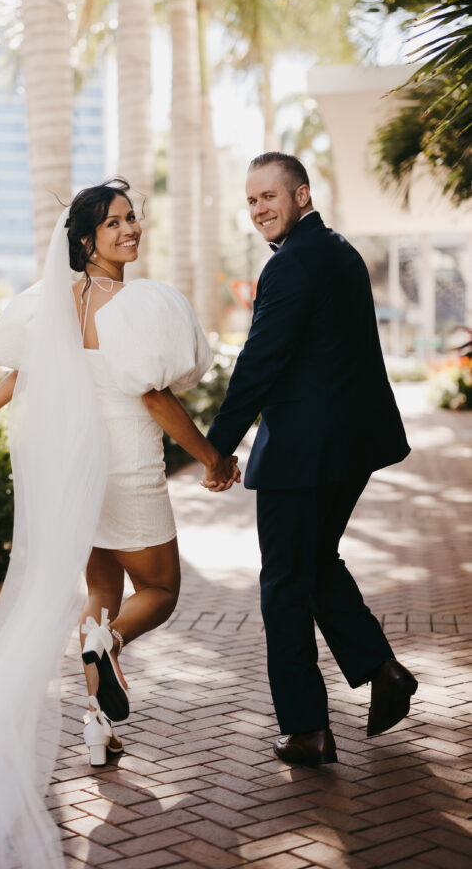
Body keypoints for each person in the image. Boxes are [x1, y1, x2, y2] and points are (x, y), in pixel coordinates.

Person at [0, 178, 239, 869]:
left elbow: (20, 374)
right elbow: (157, 399)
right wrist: (211, 457)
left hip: (74, 471)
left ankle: (98, 728)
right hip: (128, 465)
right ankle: (109, 651)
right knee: (159, 592)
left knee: (99, 594)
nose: (129, 230)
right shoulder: (138, 304)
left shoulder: (49, 303)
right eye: (113, 224)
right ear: (84, 240)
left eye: (132, 219)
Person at [204, 152, 417, 768]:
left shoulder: (292, 265)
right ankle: (382, 669)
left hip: (304, 456)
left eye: (269, 196)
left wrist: (217, 449)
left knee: (284, 587)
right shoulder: (340, 252)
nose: (259, 210)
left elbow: (257, 367)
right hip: (349, 449)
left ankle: (305, 729)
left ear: (302, 194)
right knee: (315, 563)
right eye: (250, 201)